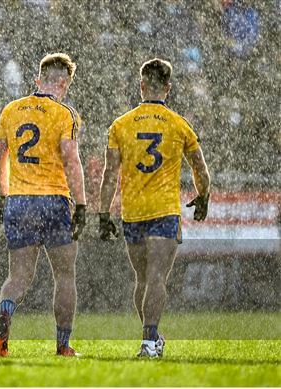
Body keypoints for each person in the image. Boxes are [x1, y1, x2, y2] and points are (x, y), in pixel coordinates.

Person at [98, 58, 210, 358]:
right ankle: (150, 341)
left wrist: (103, 213)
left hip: (132, 212)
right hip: (164, 211)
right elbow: (200, 168)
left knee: (143, 280)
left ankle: (151, 339)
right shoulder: (178, 124)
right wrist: (203, 196)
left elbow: (110, 174)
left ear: (142, 85)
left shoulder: (120, 125)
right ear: (168, 88)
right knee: (158, 278)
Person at [0, 53, 87, 357]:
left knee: (18, 276)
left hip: (19, 200)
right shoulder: (64, 114)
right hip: (53, 199)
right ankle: (63, 344)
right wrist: (82, 203)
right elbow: (71, 160)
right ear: (64, 81)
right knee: (64, 276)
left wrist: (3, 195)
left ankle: (4, 317)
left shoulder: (11, 110)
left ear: (38, 79)